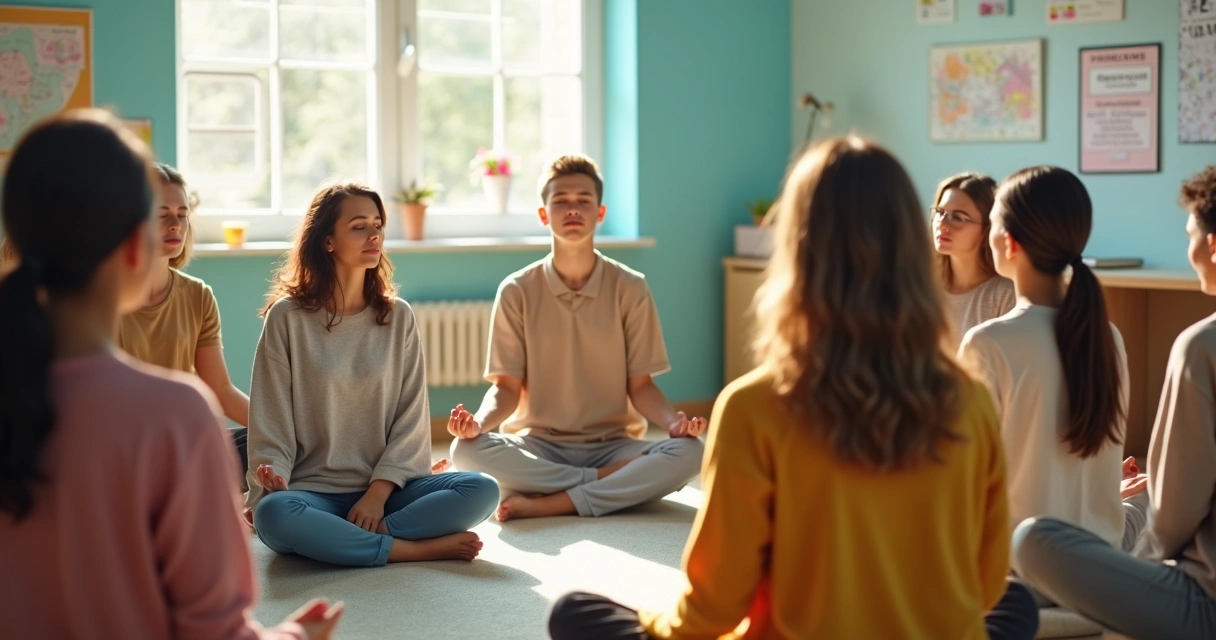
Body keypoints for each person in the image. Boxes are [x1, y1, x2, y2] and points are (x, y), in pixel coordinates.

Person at [547, 137, 1037, 640]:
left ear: (797, 250)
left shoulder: (752, 407)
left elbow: (712, 611)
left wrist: (652, 625)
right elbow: (982, 586)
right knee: (1015, 602)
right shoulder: (970, 399)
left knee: (574, 611)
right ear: (910, 246)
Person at [0, 109, 342, 639]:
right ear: (137, 245)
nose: (176, 225)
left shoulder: (185, 342)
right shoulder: (174, 416)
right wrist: (293, 636)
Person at [246, 181, 499, 567]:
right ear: (327, 240)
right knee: (274, 514)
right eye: (359, 225)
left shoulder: (398, 317)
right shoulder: (287, 319)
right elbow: (270, 416)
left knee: (481, 489)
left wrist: (377, 495)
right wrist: (274, 477)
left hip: (390, 490)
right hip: (313, 492)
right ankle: (411, 549)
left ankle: (349, 540)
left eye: (378, 224)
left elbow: (411, 418)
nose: (374, 234)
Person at [1013, 166, 1216, 639]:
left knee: (1033, 539)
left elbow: (1173, 519)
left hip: (1202, 601)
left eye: (1189, 235)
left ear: (1212, 245)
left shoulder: (1201, 346)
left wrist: (1136, 571)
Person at [448, 154, 706, 521]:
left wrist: (673, 425)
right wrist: (478, 424)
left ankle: (554, 501)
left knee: (692, 451)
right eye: (561, 201)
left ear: (599, 213)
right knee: (465, 450)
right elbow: (506, 389)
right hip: (538, 442)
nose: (573, 209)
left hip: (614, 445)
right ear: (543, 215)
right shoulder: (516, 290)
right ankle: (600, 484)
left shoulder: (631, 287)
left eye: (583, 200)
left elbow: (642, 386)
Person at [959, 166, 1130, 557]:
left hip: (1021, 568)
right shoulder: (1108, 337)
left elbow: (961, 477)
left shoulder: (989, 343)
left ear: (1009, 241)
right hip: (1099, 565)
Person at [117, 163, 251, 481]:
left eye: (182, 214)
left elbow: (219, 389)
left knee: (267, 443)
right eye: (162, 214)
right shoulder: (103, 296)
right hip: (124, 445)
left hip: (184, 440)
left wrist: (286, 432)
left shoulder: (197, 295)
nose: (175, 224)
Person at [931, 172, 1016, 347]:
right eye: (940, 212)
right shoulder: (923, 286)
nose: (941, 224)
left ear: (988, 229)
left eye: (958, 217)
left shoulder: (1006, 295)